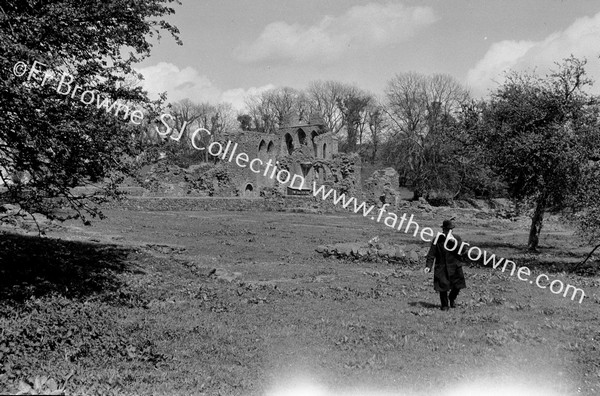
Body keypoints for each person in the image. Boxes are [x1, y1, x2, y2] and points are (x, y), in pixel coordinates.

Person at [424, 219, 467, 311]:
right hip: (442, 267)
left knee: (457, 286)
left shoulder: (457, 238)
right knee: (442, 287)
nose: (448, 232)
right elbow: (431, 254)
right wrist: (428, 266)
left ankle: (452, 298)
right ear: (443, 230)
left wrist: (454, 242)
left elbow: (463, 251)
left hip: (455, 266)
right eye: (447, 230)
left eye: (450, 230)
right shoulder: (437, 240)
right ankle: (444, 305)